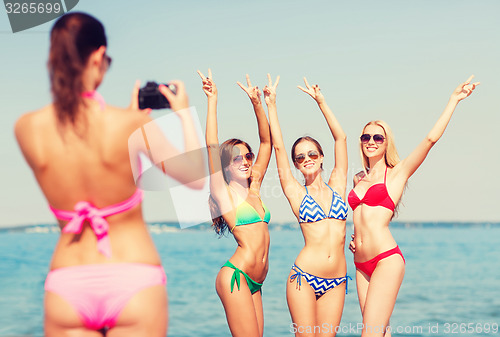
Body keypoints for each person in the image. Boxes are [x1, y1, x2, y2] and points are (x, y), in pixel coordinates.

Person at [14, 12, 204, 337]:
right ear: (99, 55)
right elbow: (196, 177)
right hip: (134, 277)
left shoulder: (27, 129)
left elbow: (79, 140)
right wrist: (183, 113)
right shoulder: (131, 126)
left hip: (67, 284)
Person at [348, 76, 480, 337]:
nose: (371, 141)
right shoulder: (358, 179)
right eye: (366, 136)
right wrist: (356, 238)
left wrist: (454, 100)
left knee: (370, 334)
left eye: (378, 137)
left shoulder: (397, 173)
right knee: (380, 332)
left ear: (387, 143)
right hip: (360, 264)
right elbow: (362, 217)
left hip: (386, 260)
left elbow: (430, 139)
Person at [266, 76, 349, 336]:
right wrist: (271, 104)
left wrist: (321, 102)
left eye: (312, 153)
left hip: (337, 281)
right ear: (296, 164)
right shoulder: (295, 192)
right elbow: (278, 146)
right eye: (300, 157)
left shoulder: (337, 184)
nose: (307, 159)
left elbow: (341, 138)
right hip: (303, 278)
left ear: (321, 157)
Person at [198, 69, 272, 337]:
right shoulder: (223, 193)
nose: (244, 161)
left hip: (256, 281)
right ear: (226, 167)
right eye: (236, 158)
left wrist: (257, 104)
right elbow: (210, 145)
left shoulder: (256, 187)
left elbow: (267, 141)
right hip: (236, 276)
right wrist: (212, 100)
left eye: (247, 156)